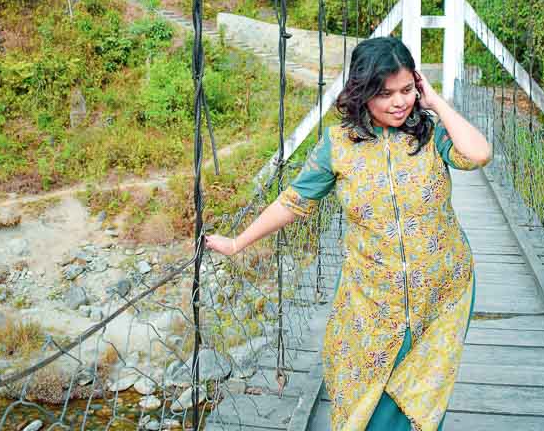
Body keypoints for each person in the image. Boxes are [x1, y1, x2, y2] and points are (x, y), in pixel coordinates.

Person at [205, 36, 492, 431]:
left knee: (419, 405)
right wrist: (238, 242)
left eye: (407, 89)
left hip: (440, 292)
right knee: (367, 403)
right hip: (370, 298)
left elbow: (479, 154)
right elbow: (293, 200)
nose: (398, 102)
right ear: (362, 93)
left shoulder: (429, 136)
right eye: (385, 93)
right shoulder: (338, 145)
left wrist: (435, 102)